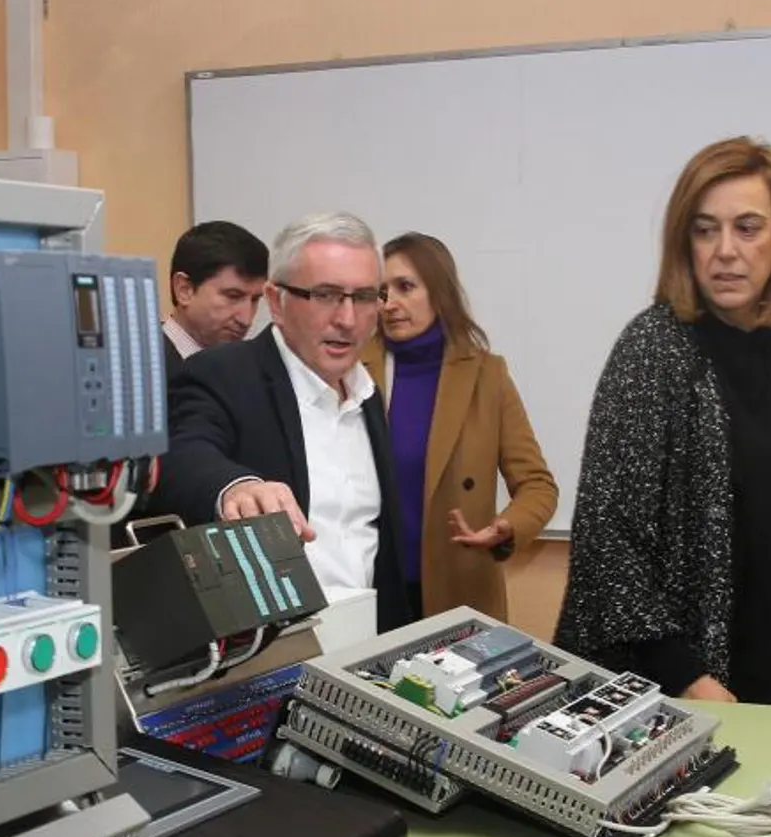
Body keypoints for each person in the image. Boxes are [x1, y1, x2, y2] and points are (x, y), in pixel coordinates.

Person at [553, 137, 771, 710]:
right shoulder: (653, 346)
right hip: (694, 692)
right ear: (682, 242)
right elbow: (606, 540)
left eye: (748, 227)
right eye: (705, 229)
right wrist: (688, 678)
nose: (726, 251)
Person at [146, 211, 415, 633]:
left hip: (360, 656)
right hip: (268, 661)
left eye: (363, 297)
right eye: (325, 295)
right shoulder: (223, 374)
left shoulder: (367, 393)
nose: (347, 319)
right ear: (277, 301)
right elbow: (181, 455)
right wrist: (237, 486)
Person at [362, 232, 558, 621]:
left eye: (406, 287)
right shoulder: (351, 368)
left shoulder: (486, 374)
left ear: (439, 292)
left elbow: (538, 486)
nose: (391, 304)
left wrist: (505, 527)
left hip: (459, 586)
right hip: (369, 590)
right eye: (381, 292)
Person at [162, 220, 269, 376]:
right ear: (184, 290)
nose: (246, 320)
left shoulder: (249, 373)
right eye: (233, 296)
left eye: (255, 300)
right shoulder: (142, 369)